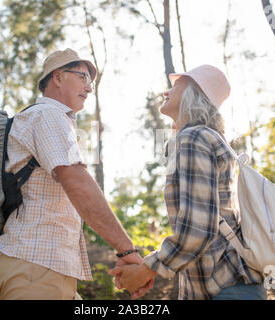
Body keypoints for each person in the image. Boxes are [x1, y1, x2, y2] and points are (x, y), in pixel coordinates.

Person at [0, 48, 151, 300]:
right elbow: (76, 181)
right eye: (83, 77)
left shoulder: (45, 118)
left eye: (92, 82)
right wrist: (125, 249)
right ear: (57, 77)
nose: (89, 88)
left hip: (43, 266)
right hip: (35, 266)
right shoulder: (48, 114)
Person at [109, 65, 267, 300]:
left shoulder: (193, 138)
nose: (166, 92)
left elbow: (198, 229)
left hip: (228, 290)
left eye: (175, 86)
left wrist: (147, 269)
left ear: (195, 92)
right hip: (229, 287)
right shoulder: (204, 137)